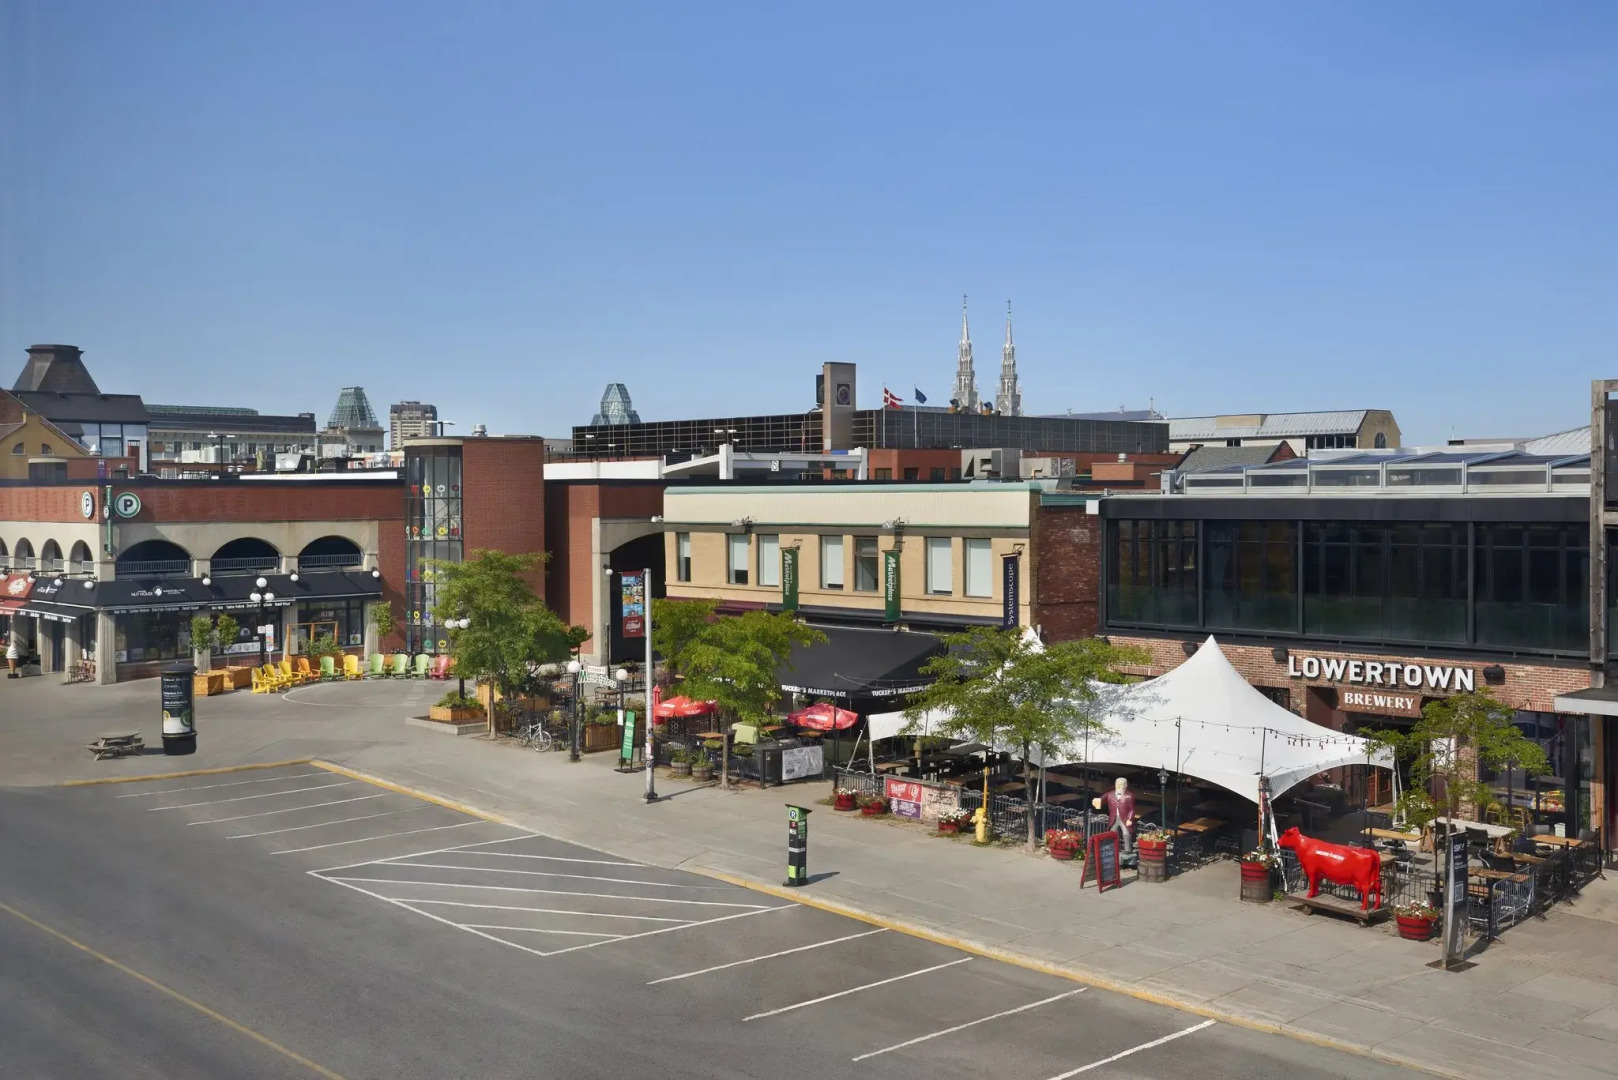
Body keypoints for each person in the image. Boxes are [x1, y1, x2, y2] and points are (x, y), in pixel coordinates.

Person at [1092, 776, 1137, 854]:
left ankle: (1128, 850)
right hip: (1114, 818)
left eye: (1121, 785)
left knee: (1126, 833)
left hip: (1125, 818)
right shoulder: (1110, 794)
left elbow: (1132, 809)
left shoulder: (1129, 796)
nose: (1118, 787)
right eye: (1117, 784)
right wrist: (1097, 800)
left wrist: (1130, 819)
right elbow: (1101, 799)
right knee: (1113, 834)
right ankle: (1114, 849)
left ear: (1125, 785)